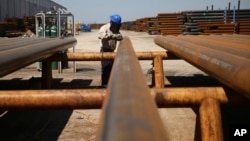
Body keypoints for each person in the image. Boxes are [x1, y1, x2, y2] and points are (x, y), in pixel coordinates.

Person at [98, 14, 123, 88]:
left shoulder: (116, 29)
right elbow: (100, 36)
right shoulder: (104, 27)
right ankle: (104, 85)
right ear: (111, 22)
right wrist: (111, 36)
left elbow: (120, 36)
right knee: (106, 68)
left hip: (112, 51)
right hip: (105, 50)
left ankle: (110, 84)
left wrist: (119, 36)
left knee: (111, 68)